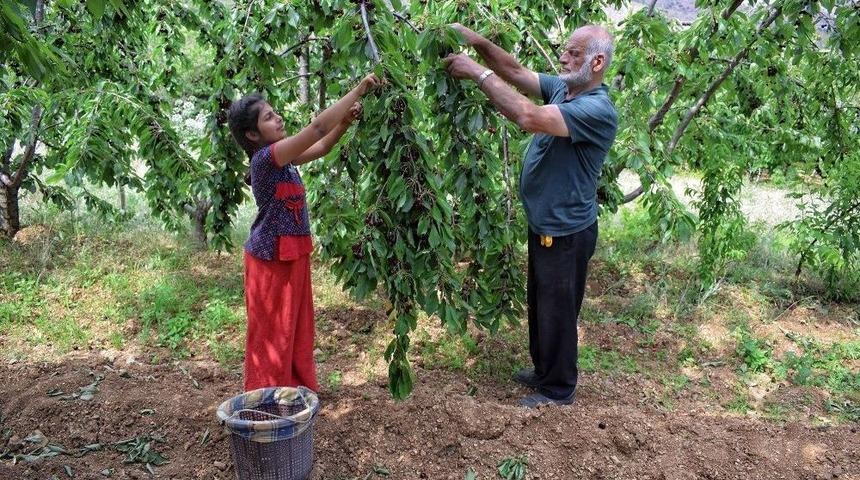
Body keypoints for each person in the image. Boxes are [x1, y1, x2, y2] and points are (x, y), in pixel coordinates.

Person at [444, 24, 618, 407]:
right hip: (546, 225)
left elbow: (527, 116)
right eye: (565, 51)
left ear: (597, 62)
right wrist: (479, 42)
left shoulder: (596, 109)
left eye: (573, 54)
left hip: (567, 230)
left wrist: (476, 71)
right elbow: (517, 72)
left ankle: (558, 389)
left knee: (558, 307)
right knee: (542, 301)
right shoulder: (566, 88)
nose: (563, 58)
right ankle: (544, 371)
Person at [228, 73, 381, 392]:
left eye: (274, 112)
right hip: (270, 260)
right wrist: (359, 89)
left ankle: (294, 392)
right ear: (252, 134)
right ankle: (266, 399)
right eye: (269, 117)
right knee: (273, 333)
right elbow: (316, 129)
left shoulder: (283, 156)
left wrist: (345, 124)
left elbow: (323, 144)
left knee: (296, 327)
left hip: (292, 253)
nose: (278, 117)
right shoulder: (265, 160)